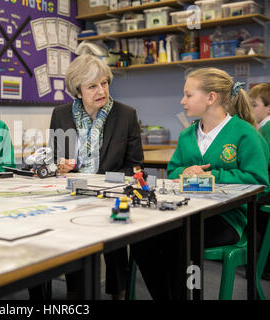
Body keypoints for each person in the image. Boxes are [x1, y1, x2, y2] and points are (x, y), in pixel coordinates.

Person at [131, 67, 269, 299]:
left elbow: (259, 181)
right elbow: (174, 171)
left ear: (211, 97)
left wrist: (212, 176)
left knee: (178, 239)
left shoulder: (245, 133)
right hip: (185, 211)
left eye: (188, 95)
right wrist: (186, 171)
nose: (183, 101)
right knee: (141, 239)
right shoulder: (187, 136)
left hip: (227, 218)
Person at [47, 54, 144, 300]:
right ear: (78, 91)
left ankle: (118, 292)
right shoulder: (61, 114)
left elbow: (134, 166)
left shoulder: (126, 114)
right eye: (92, 86)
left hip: (113, 192)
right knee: (72, 239)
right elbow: (54, 158)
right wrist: (59, 166)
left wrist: (103, 183)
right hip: (73, 192)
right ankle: (73, 292)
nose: (101, 90)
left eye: (105, 83)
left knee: (115, 237)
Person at [249, 82, 270, 280]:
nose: (251, 109)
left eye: (254, 105)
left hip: (268, 189)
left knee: (248, 203)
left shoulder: (267, 128)